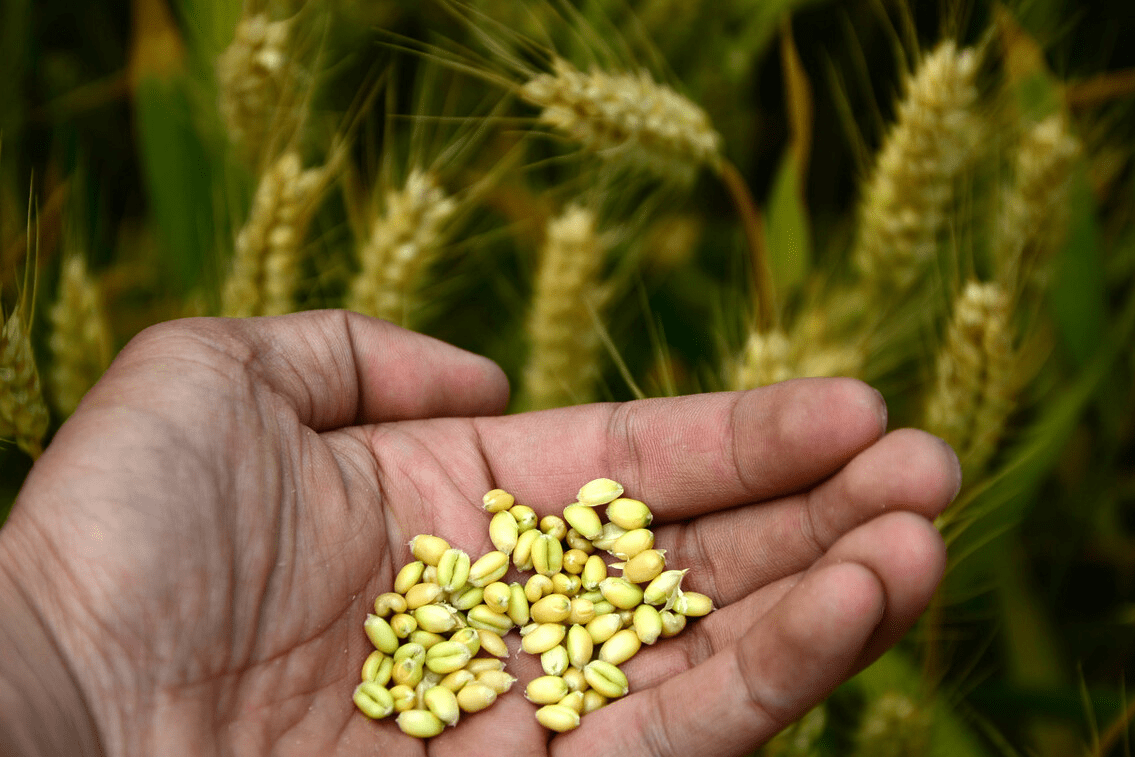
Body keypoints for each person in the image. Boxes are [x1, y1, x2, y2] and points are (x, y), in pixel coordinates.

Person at [0, 311, 960, 755]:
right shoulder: (476, 612)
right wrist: (55, 648)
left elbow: (529, 622)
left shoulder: (514, 597)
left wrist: (64, 654)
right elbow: (507, 629)